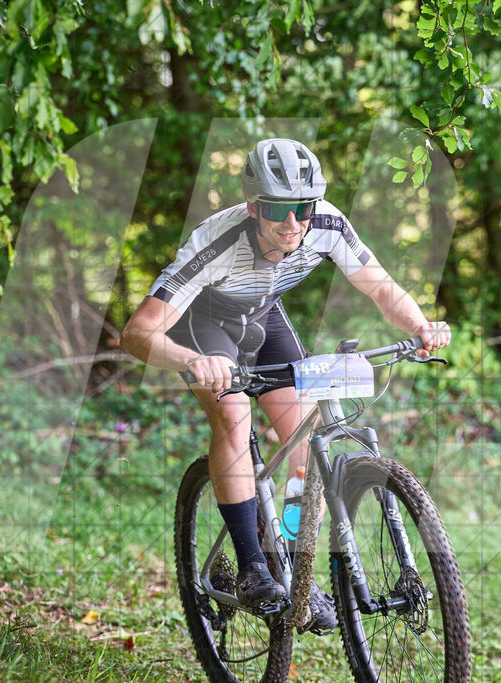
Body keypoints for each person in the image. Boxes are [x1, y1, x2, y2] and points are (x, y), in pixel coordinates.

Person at [120, 138, 451, 632]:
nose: (293, 223)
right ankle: (253, 567)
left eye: (303, 207)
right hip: (205, 326)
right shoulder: (215, 242)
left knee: (307, 437)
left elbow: (380, 287)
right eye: (278, 209)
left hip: (264, 318)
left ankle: (295, 568)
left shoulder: (328, 224)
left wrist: (421, 327)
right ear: (254, 207)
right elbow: (137, 334)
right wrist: (194, 361)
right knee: (233, 414)